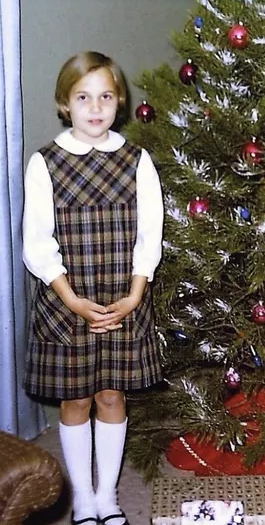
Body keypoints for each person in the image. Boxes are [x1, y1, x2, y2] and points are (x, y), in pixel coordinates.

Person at [23, 52, 164, 525]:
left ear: (119, 101)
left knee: (111, 396)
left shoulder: (137, 161)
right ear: (66, 104)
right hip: (68, 302)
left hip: (124, 299)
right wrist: (72, 300)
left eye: (105, 96)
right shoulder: (46, 163)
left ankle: (107, 495)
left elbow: (150, 235)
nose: (95, 107)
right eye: (83, 97)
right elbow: (37, 244)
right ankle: (83, 498)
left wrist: (135, 295)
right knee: (76, 399)